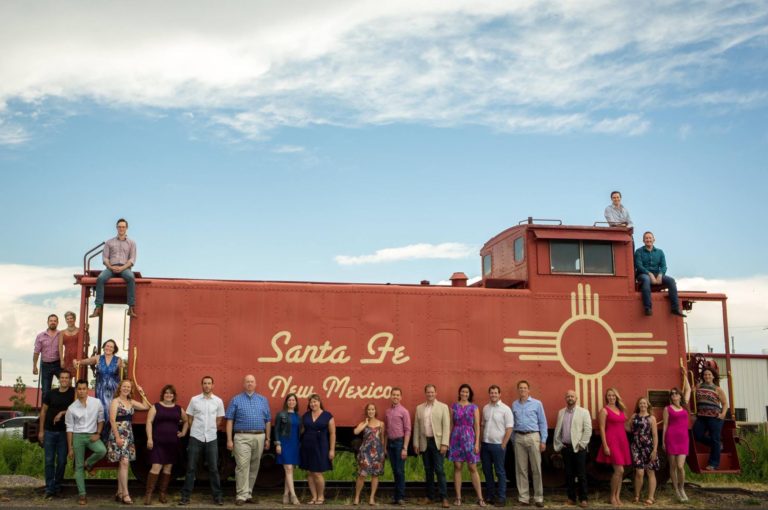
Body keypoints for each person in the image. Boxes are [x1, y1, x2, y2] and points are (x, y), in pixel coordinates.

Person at [225, 374, 272, 506]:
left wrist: (268, 438)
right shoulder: (236, 400)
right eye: (247, 382)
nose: (250, 384)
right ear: (244, 384)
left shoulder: (263, 400)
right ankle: (240, 495)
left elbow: (268, 421)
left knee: (254, 466)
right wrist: (229, 439)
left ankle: (248, 493)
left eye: (252, 381)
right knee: (242, 466)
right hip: (241, 436)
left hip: (260, 436)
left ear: (255, 384)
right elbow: (229, 420)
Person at [180, 375, 225, 506]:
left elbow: (219, 420)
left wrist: (211, 429)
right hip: (196, 436)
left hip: (211, 437)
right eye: (204, 383)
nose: (207, 385)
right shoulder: (194, 400)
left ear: (213, 385)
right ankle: (185, 497)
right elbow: (189, 418)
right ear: (202, 385)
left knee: (214, 468)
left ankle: (218, 497)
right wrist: (196, 429)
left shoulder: (218, 401)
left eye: (209, 383)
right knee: (191, 468)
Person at [106, 379, 150, 504]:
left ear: (131, 390)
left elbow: (146, 406)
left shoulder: (130, 402)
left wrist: (142, 393)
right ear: (120, 388)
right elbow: (112, 420)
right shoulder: (116, 401)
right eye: (124, 386)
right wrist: (117, 437)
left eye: (129, 387)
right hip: (118, 435)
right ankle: (125, 494)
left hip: (128, 435)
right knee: (125, 463)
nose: (126, 389)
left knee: (123, 464)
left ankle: (119, 492)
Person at [145, 384, 189, 505]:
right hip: (157, 443)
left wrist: (183, 432)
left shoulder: (178, 409)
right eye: (166, 393)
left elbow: (186, 421)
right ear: (163, 394)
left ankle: (162, 494)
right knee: (156, 467)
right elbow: (149, 422)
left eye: (171, 393)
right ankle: (148, 494)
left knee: (168, 468)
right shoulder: (156, 407)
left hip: (172, 443)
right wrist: (149, 438)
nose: (168, 395)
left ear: (174, 396)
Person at [66, 379, 107, 506]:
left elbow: (101, 419)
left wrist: (98, 433)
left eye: (84, 389)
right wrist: (70, 448)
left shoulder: (96, 402)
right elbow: (69, 429)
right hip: (78, 436)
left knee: (102, 450)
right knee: (78, 467)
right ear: (76, 390)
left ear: (87, 389)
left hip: (91, 435)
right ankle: (82, 495)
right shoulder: (71, 408)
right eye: (79, 389)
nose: (82, 391)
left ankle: (88, 464)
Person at [74, 339, 122, 439]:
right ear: (104, 347)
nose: (109, 348)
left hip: (114, 390)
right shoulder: (98, 358)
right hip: (101, 390)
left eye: (111, 347)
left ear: (114, 349)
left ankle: (112, 438)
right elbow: (85, 362)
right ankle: (103, 438)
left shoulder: (118, 360)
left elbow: (122, 375)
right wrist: (77, 362)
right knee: (103, 412)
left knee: (113, 413)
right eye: (107, 346)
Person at [413, 384, 451, 508]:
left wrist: (445, 443)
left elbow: (446, 426)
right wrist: (416, 443)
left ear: (436, 393)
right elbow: (417, 427)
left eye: (432, 392)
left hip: (438, 443)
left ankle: (444, 498)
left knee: (439, 470)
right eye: (428, 392)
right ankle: (430, 497)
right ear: (425, 393)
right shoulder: (419, 408)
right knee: (428, 471)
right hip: (425, 442)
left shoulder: (443, 407)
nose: (430, 394)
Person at [90, 218, 137, 318]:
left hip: (125, 268)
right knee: (100, 278)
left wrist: (123, 267)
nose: (121, 228)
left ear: (126, 228)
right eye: (119, 227)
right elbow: (105, 258)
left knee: (131, 278)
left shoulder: (132, 243)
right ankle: (98, 307)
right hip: (111, 268)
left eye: (123, 227)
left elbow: (132, 259)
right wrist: (110, 266)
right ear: (116, 228)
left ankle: (131, 307)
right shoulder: (109, 242)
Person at [39, 369, 75, 499]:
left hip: (64, 433)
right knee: (49, 461)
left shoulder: (73, 393)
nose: (64, 380)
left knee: (61, 461)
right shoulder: (50, 394)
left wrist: (62, 413)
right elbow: (43, 412)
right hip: (49, 431)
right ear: (59, 379)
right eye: (62, 378)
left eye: (67, 378)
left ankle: (57, 486)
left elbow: (77, 407)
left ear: (70, 380)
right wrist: (41, 431)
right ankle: (49, 488)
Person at [511, 380, 547, 508]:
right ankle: (524, 498)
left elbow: (543, 423)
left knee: (536, 468)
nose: (522, 390)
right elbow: (512, 423)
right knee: (521, 469)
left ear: (529, 390)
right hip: (519, 437)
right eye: (520, 388)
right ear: (518, 390)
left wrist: (543, 440)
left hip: (533, 436)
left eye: (525, 388)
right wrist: (513, 439)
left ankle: (538, 498)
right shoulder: (514, 404)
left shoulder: (537, 404)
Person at [553, 389, 592, 508]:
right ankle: (571, 498)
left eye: (572, 396)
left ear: (576, 399)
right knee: (568, 474)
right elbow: (558, 429)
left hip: (579, 448)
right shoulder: (561, 412)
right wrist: (559, 444)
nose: (570, 398)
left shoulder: (583, 412)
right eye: (568, 396)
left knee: (581, 474)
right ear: (566, 399)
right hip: (566, 447)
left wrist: (582, 445)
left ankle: (583, 499)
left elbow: (588, 429)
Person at [634, 231, 685, 317]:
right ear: (643, 240)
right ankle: (648, 308)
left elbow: (664, 266)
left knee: (671, 281)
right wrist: (649, 274)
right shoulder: (639, 252)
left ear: (654, 239)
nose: (648, 240)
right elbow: (639, 266)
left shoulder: (660, 252)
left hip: (657, 274)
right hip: (643, 274)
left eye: (650, 238)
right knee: (646, 280)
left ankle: (675, 308)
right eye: (646, 238)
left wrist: (661, 274)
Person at [480, 385, 514, 508]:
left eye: (495, 393)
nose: (493, 395)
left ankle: (501, 498)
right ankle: (490, 495)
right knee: (487, 471)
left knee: (500, 472)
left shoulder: (506, 409)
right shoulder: (485, 408)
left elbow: (509, 428)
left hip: (498, 445)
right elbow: (482, 425)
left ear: (500, 394)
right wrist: (480, 442)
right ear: (489, 394)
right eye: (491, 393)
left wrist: (503, 444)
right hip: (486, 444)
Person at [596, 387, 631, 506]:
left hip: (622, 442)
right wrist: (605, 446)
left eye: (613, 396)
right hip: (612, 441)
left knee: (621, 472)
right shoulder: (604, 410)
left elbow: (626, 426)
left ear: (616, 397)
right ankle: (611, 497)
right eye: (609, 396)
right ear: (607, 398)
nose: (611, 397)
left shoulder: (620, 410)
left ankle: (617, 496)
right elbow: (601, 428)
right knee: (619, 470)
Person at [300, 394, 336, 505]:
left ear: (320, 402)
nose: (313, 404)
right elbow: (301, 431)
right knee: (310, 473)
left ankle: (321, 496)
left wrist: (332, 449)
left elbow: (332, 433)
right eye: (311, 402)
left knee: (317, 473)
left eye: (315, 401)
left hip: (321, 447)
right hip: (307, 446)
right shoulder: (306, 415)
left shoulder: (327, 415)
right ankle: (314, 497)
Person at [693, 367, 728, 471]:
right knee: (697, 435)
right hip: (702, 417)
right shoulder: (698, 386)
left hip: (715, 418)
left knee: (715, 438)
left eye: (709, 374)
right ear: (703, 376)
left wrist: (723, 414)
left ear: (713, 376)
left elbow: (725, 403)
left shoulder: (717, 389)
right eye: (705, 375)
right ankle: (718, 445)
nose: (707, 376)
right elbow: (689, 391)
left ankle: (713, 464)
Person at [663, 372, 692, 503]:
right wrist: (663, 441)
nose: (674, 395)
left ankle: (682, 488)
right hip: (671, 438)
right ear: (671, 397)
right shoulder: (667, 409)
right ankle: (676, 490)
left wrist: (684, 374)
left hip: (683, 439)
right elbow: (664, 425)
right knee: (673, 466)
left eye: (676, 393)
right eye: (672, 394)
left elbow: (689, 389)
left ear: (680, 395)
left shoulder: (685, 407)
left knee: (681, 466)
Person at [628, 397, 659, 506]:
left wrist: (655, 450)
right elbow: (628, 428)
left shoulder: (652, 418)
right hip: (636, 447)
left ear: (647, 405)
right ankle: (637, 496)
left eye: (644, 403)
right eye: (640, 403)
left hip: (648, 447)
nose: (642, 405)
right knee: (639, 472)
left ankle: (651, 497)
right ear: (638, 405)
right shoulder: (634, 416)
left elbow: (655, 435)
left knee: (650, 472)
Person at [353, 403, 386, 506]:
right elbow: (356, 432)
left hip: (377, 452)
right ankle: (357, 497)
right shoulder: (363, 423)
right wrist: (365, 423)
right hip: (365, 453)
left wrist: (383, 452)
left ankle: (372, 498)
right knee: (362, 475)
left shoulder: (381, 424)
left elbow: (382, 439)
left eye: (372, 409)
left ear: (375, 411)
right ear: (366, 411)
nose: (371, 411)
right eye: (369, 410)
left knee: (375, 475)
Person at [384, 387, 411, 506]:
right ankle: (396, 497)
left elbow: (408, 430)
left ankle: (400, 497)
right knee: (395, 471)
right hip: (390, 444)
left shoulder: (404, 411)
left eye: (397, 395)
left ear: (401, 397)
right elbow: (386, 431)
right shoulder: (387, 412)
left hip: (400, 443)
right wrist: (385, 447)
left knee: (400, 471)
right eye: (393, 395)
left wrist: (405, 447)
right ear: (391, 396)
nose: (395, 397)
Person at [275, 393, 301, 505]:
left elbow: (299, 431)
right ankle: (294, 495)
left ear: (296, 402)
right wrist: (278, 444)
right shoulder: (281, 414)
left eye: (293, 400)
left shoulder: (298, 416)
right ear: (286, 402)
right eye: (289, 400)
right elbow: (276, 430)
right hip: (284, 443)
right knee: (288, 468)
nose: (291, 402)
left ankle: (285, 495)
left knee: (289, 470)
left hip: (294, 444)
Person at [33, 314, 62, 402]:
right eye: (51, 321)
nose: (53, 322)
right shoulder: (40, 336)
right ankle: (45, 413)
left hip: (58, 364)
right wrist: (34, 366)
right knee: (45, 391)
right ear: (47, 322)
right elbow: (36, 352)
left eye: (55, 321)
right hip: (46, 365)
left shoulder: (61, 334)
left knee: (66, 385)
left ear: (57, 323)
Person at [59, 311, 88, 376]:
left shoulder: (80, 330)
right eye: (67, 319)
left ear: (74, 319)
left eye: (71, 318)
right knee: (68, 379)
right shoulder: (62, 332)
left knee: (79, 377)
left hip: (79, 357)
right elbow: (60, 347)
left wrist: (86, 330)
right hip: (67, 358)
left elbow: (86, 342)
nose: (69, 320)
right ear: (66, 320)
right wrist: (61, 360)